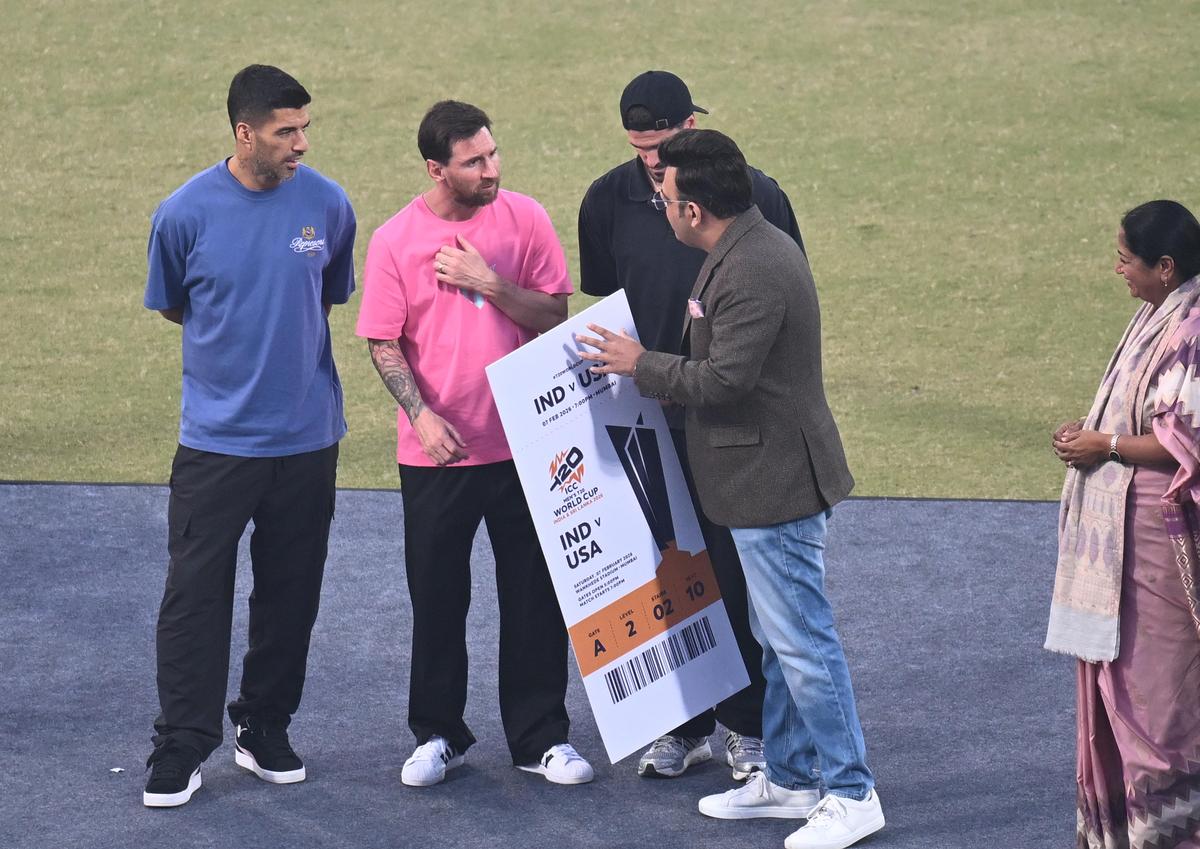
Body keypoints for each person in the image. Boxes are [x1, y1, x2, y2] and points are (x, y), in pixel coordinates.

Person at [578, 129, 883, 849]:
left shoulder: (752, 268)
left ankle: (852, 790)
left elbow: (722, 381)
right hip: (757, 479)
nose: (660, 200)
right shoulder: (740, 249)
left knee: (804, 643)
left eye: (668, 193)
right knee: (776, 640)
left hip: (772, 482)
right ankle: (791, 774)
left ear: (693, 209)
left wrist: (637, 363)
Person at [356, 100, 593, 788]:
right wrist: (422, 415)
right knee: (437, 598)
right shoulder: (395, 239)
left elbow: (554, 313)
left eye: (492, 154)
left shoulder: (526, 218)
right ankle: (438, 734)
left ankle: (541, 736)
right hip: (436, 453)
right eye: (474, 161)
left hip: (527, 445)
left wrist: (489, 282)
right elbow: (382, 339)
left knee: (533, 597)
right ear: (437, 169)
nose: (492, 168)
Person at [577, 69, 804, 781]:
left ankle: (748, 725)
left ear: (692, 124)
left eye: (664, 145)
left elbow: (779, 303)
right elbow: (603, 305)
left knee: (735, 579)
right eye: (640, 148)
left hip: (727, 421)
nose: (653, 162)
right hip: (643, 422)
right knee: (665, 576)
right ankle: (683, 724)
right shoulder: (605, 201)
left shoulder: (756, 196)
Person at [141, 65, 356, 807]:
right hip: (215, 444)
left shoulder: (328, 205)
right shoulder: (183, 214)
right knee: (195, 595)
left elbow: (325, 296)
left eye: (305, 128)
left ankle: (264, 724)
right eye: (284, 131)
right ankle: (182, 743)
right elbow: (174, 304)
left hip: (307, 439)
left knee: (290, 592)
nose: (300, 143)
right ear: (245, 132)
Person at [1047, 200, 1200, 848]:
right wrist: (1092, 435)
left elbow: (1182, 437)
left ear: (1165, 266)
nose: (1118, 270)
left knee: (1158, 706)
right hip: (1126, 545)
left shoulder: (1192, 327)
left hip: (1157, 550)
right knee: (1121, 692)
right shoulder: (1160, 313)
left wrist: (1104, 445)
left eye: (1125, 258)